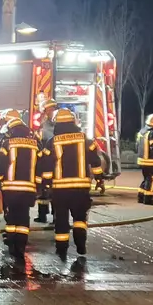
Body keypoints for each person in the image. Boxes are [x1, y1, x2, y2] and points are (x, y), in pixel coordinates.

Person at [37, 108, 102, 258]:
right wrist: (99, 180)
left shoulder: (52, 142)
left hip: (60, 189)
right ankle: (81, 246)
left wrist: (45, 184)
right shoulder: (85, 140)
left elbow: (46, 165)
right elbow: (95, 162)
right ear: (73, 122)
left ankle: (61, 248)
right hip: (81, 188)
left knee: (61, 219)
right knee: (80, 219)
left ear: (57, 124)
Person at [0, 108, 39, 259]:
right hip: (28, 189)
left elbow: (1, 166)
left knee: (12, 216)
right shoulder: (34, 144)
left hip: (11, 189)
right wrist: (38, 186)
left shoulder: (7, 144)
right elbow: (40, 167)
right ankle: (21, 246)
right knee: (24, 217)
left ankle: (12, 244)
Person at [35, 99, 59, 225]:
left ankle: (55, 216)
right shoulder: (42, 125)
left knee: (55, 190)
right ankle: (42, 215)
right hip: (44, 162)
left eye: (52, 109)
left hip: (55, 162)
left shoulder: (58, 124)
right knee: (43, 188)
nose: (51, 111)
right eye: (48, 110)